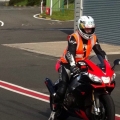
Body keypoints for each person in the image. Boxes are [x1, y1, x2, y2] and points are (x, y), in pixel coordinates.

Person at [48, 15, 108, 120]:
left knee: (92, 82)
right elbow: (70, 53)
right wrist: (72, 66)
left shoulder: (94, 38)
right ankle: (54, 110)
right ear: (81, 27)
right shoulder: (74, 37)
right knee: (62, 89)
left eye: (91, 29)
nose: (89, 31)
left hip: (84, 64)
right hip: (67, 64)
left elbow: (100, 51)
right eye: (87, 29)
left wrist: (106, 63)